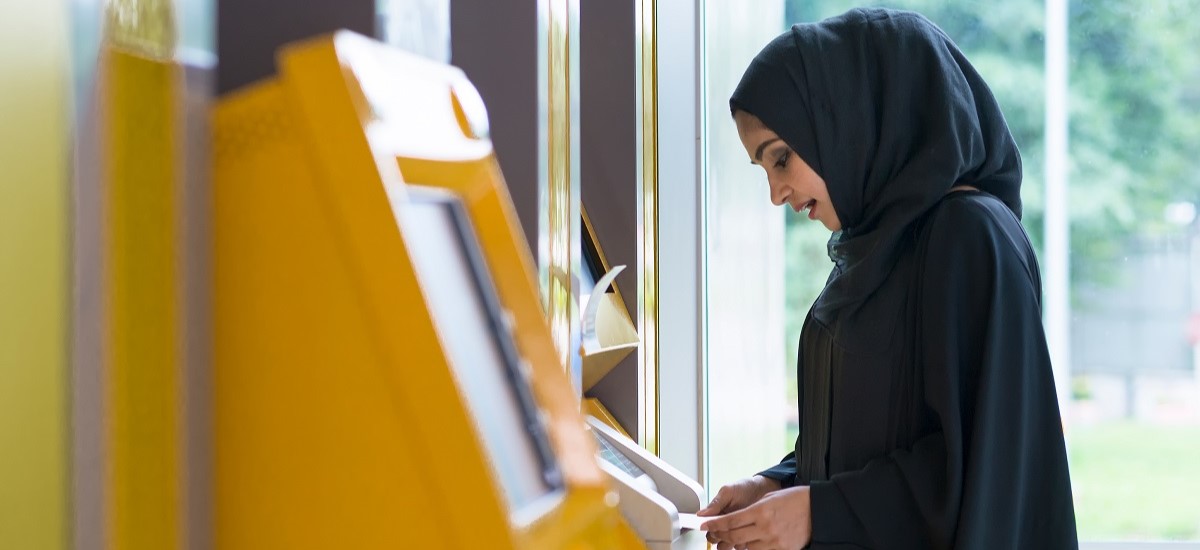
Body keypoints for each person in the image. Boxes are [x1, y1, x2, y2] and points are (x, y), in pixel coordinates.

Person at [697, 8, 1078, 550]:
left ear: (846, 117)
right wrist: (776, 485)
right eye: (765, 169)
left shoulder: (970, 237)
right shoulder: (873, 252)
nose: (776, 193)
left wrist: (819, 513)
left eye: (782, 158)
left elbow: (991, 470)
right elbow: (871, 442)